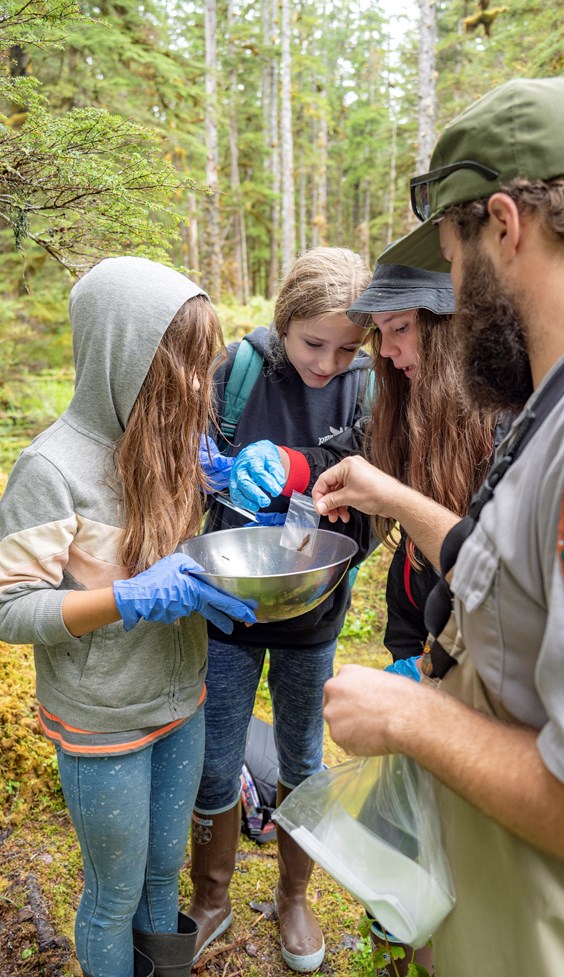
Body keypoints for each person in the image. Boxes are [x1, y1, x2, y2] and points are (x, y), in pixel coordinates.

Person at [311, 77, 564, 977]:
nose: (454, 293)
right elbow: (520, 583)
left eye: (454, 262)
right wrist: (399, 499)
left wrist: (415, 718)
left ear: (505, 224)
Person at [221, 260, 503, 976]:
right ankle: (399, 939)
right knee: (414, 822)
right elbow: (345, 459)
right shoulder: (405, 401)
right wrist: (280, 467)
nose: (388, 354)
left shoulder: (500, 419)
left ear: (444, 327)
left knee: (466, 831)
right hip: (424, 632)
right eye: (379, 336)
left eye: (397, 332)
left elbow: (491, 562)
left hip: (482, 652)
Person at [0, 256, 255, 977]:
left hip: (182, 699)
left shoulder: (170, 444)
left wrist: (232, 478)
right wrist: (127, 597)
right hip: (103, 716)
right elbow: (10, 606)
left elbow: (190, 539)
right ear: (125, 355)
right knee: (114, 893)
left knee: (159, 875)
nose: (201, 386)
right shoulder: (51, 468)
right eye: (185, 367)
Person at [188, 246, 374, 972]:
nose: (327, 362)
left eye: (347, 347)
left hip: (315, 614)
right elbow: (184, 472)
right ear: (283, 321)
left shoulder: (366, 387)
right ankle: (210, 896)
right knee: (216, 755)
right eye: (312, 343)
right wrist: (203, 466)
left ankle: (294, 897)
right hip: (227, 608)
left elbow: (371, 514)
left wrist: (323, 492)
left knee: (300, 753)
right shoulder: (235, 372)